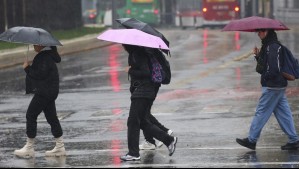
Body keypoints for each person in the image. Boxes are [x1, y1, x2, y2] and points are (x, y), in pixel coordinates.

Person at [236, 29, 299, 150]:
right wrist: (258, 56)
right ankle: (294, 139)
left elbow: (273, 68)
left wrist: (267, 76)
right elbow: (262, 68)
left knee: (261, 112)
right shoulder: (268, 46)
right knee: (284, 113)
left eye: (260, 32)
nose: (258, 34)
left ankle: (251, 140)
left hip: (272, 86)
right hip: (277, 86)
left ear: (266, 32)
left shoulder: (272, 47)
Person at [120, 44, 178, 161]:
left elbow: (146, 73)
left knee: (133, 122)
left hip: (143, 91)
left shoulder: (137, 53)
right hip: (147, 91)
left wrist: (130, 70)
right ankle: (168, 140)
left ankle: (133, 153)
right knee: (142, 122)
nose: (122, 46)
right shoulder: (143, 51)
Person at [14, 45, 66, 158]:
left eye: (35, 44)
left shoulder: (44, 56)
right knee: (52, 117)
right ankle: (60, 147)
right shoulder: (47, 55)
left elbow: (39, 74)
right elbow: (42, 73)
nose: (33, 46)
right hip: (50, 91)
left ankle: (29, 147)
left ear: (42, 45)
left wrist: (27, 68)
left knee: (31, 115)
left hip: (45, 92)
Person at [139, 48, 173, 150]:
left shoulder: (144, 51)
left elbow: (144, 71)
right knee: (144, 114)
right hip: (153, 84)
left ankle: (160, 136)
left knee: (142, 115)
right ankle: (153, 139)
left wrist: (131, 70)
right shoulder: (151, 49)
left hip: (148, 85)